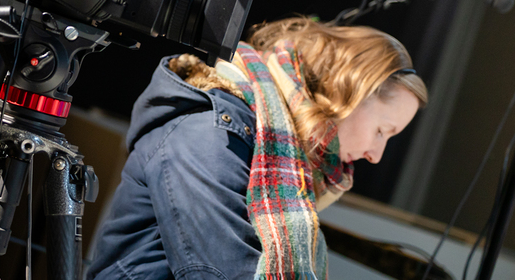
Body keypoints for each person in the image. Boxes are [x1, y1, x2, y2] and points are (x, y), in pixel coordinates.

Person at [87, 17, 428, 280]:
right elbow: (225, 273)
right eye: (382, 131)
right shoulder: (208, 131)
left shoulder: (278, 155)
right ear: (347, 90)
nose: (376, 155)